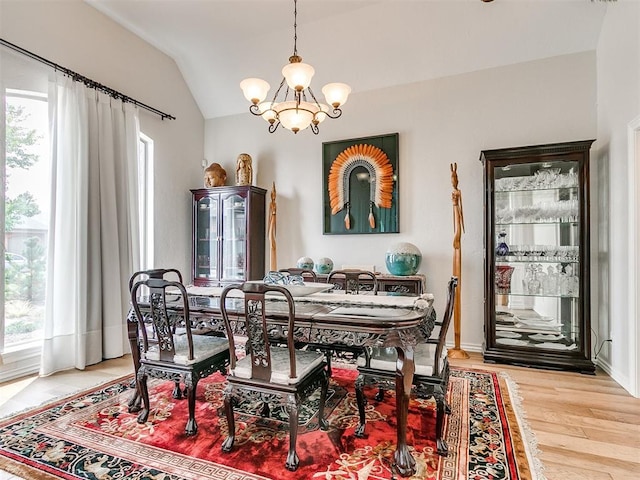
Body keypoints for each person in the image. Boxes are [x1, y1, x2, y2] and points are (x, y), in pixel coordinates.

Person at [268, 182, 277, 271]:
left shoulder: (275, 204)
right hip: (271, 220)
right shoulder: (271, 204)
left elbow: (274, 213)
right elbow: (269, 215)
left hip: (273, 219)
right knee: (271, 240)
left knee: (273, 243)